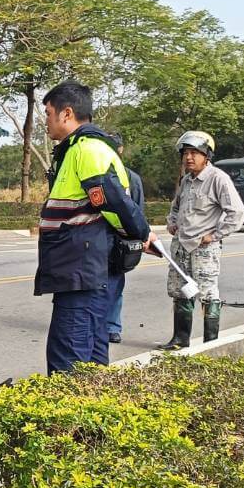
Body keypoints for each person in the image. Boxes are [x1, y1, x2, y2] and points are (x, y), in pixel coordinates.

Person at [35, 81, 152, 374]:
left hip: (83, 270)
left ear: (67, 114)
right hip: (78, 268)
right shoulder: (75, 149)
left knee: (69, 360)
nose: (46, 121)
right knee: (89, 356)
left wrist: (143, 233)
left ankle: (66, 419)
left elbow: (114, 204)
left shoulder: (88, 150)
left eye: (48, 113)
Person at [160, 130, 244, 350]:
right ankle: (180, 339)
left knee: (207, 295)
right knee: (180, 292)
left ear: (206, 155)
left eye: (194, 153)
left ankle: (211, 344)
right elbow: (176, 207)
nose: (189, 157)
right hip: (181, 247)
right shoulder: (187, 180)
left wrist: (215, 235)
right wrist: (172, 222)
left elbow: (237, 213)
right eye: (185, 153)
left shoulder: (218, 179)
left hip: (204, 249)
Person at [105, 133, 147, 345]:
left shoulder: (131, 178)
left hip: (120, 243)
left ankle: (112, 327)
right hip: (96, 241)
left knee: (114, 285)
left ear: (120, 150)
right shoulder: (95, 174)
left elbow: (138, 213)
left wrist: (140, 238)